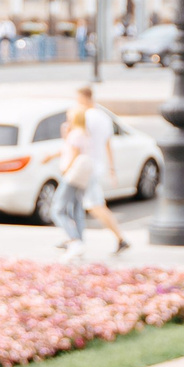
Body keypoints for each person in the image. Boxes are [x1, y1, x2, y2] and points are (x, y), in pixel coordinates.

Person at [67, 85, 130, 254]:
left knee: (94, 205)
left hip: (85, 167)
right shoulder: (103, 117)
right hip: (97, 165)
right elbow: (108, 144)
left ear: (83, 98)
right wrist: (111, 168)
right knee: (76, 203)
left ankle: (120, 238)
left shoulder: (85, 117)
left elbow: (77, 142)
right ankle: (74, 237)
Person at [50, 107, 92, 259]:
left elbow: (72, 154)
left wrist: (66, 170)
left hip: (72, 175)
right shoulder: (84, 134)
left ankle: (74, 240)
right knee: (76, 209)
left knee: (57, 209)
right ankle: (79, 241)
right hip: (81, 176)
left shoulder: (76, 135)